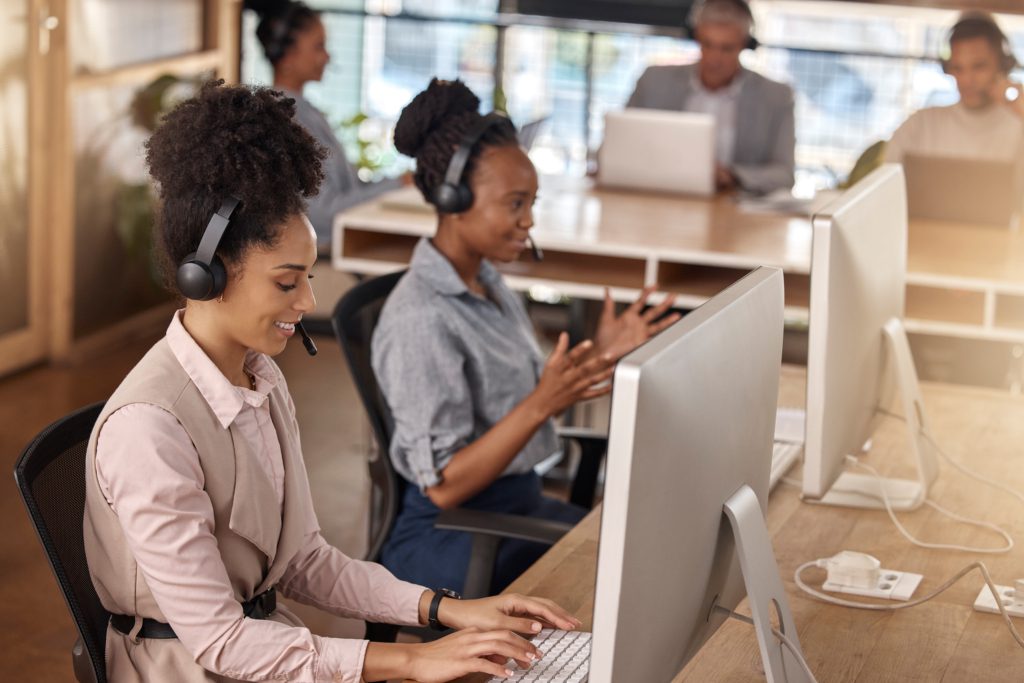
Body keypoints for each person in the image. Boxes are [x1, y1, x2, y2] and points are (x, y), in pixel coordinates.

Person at [82, 80, 581, 683]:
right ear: (206, 276)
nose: (310, 300)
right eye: (288, 283)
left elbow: (305, 560)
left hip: (270, 647)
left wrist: (449, 610)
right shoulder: (148, 429)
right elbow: (219, 641)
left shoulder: (258, 378)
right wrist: (412, 658)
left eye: (309, 277)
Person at [372, 78, 681, 595]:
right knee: (639, 580)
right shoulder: (420, 318)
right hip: (456, 535)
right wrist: (542, 404)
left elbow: (520, 399)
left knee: (653, 551)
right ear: (454, 198)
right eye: (515, 203)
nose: (529, 221)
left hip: (517, 507)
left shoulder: (488, 281)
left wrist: (603, 354)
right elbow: (443, 486)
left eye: (532, 202)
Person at [247, 0, 407, 248]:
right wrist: (397, 186)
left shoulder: (305, 112)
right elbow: (322, 215)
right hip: (320, 258)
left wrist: (398, 183)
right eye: (318, 46)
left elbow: (349, 188)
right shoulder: (284, 121)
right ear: (287, 57)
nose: (327, 56)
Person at [625, 0, 795, 194]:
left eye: (726, 48)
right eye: (708, 44)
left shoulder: (776, 96)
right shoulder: (654, 80)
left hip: (734, 212)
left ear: (745, 45)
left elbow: (784, 174)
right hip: (660, 199)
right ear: (696, 37)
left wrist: (732, 175)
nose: (715, 58)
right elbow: (616, 147)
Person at [885, 11, 1024, 165]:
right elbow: (885, 182)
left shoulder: (1019, 126)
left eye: (978, 67)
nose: (966, 80)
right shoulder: (920, 126)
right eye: (958, 68)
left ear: (1003, 65)